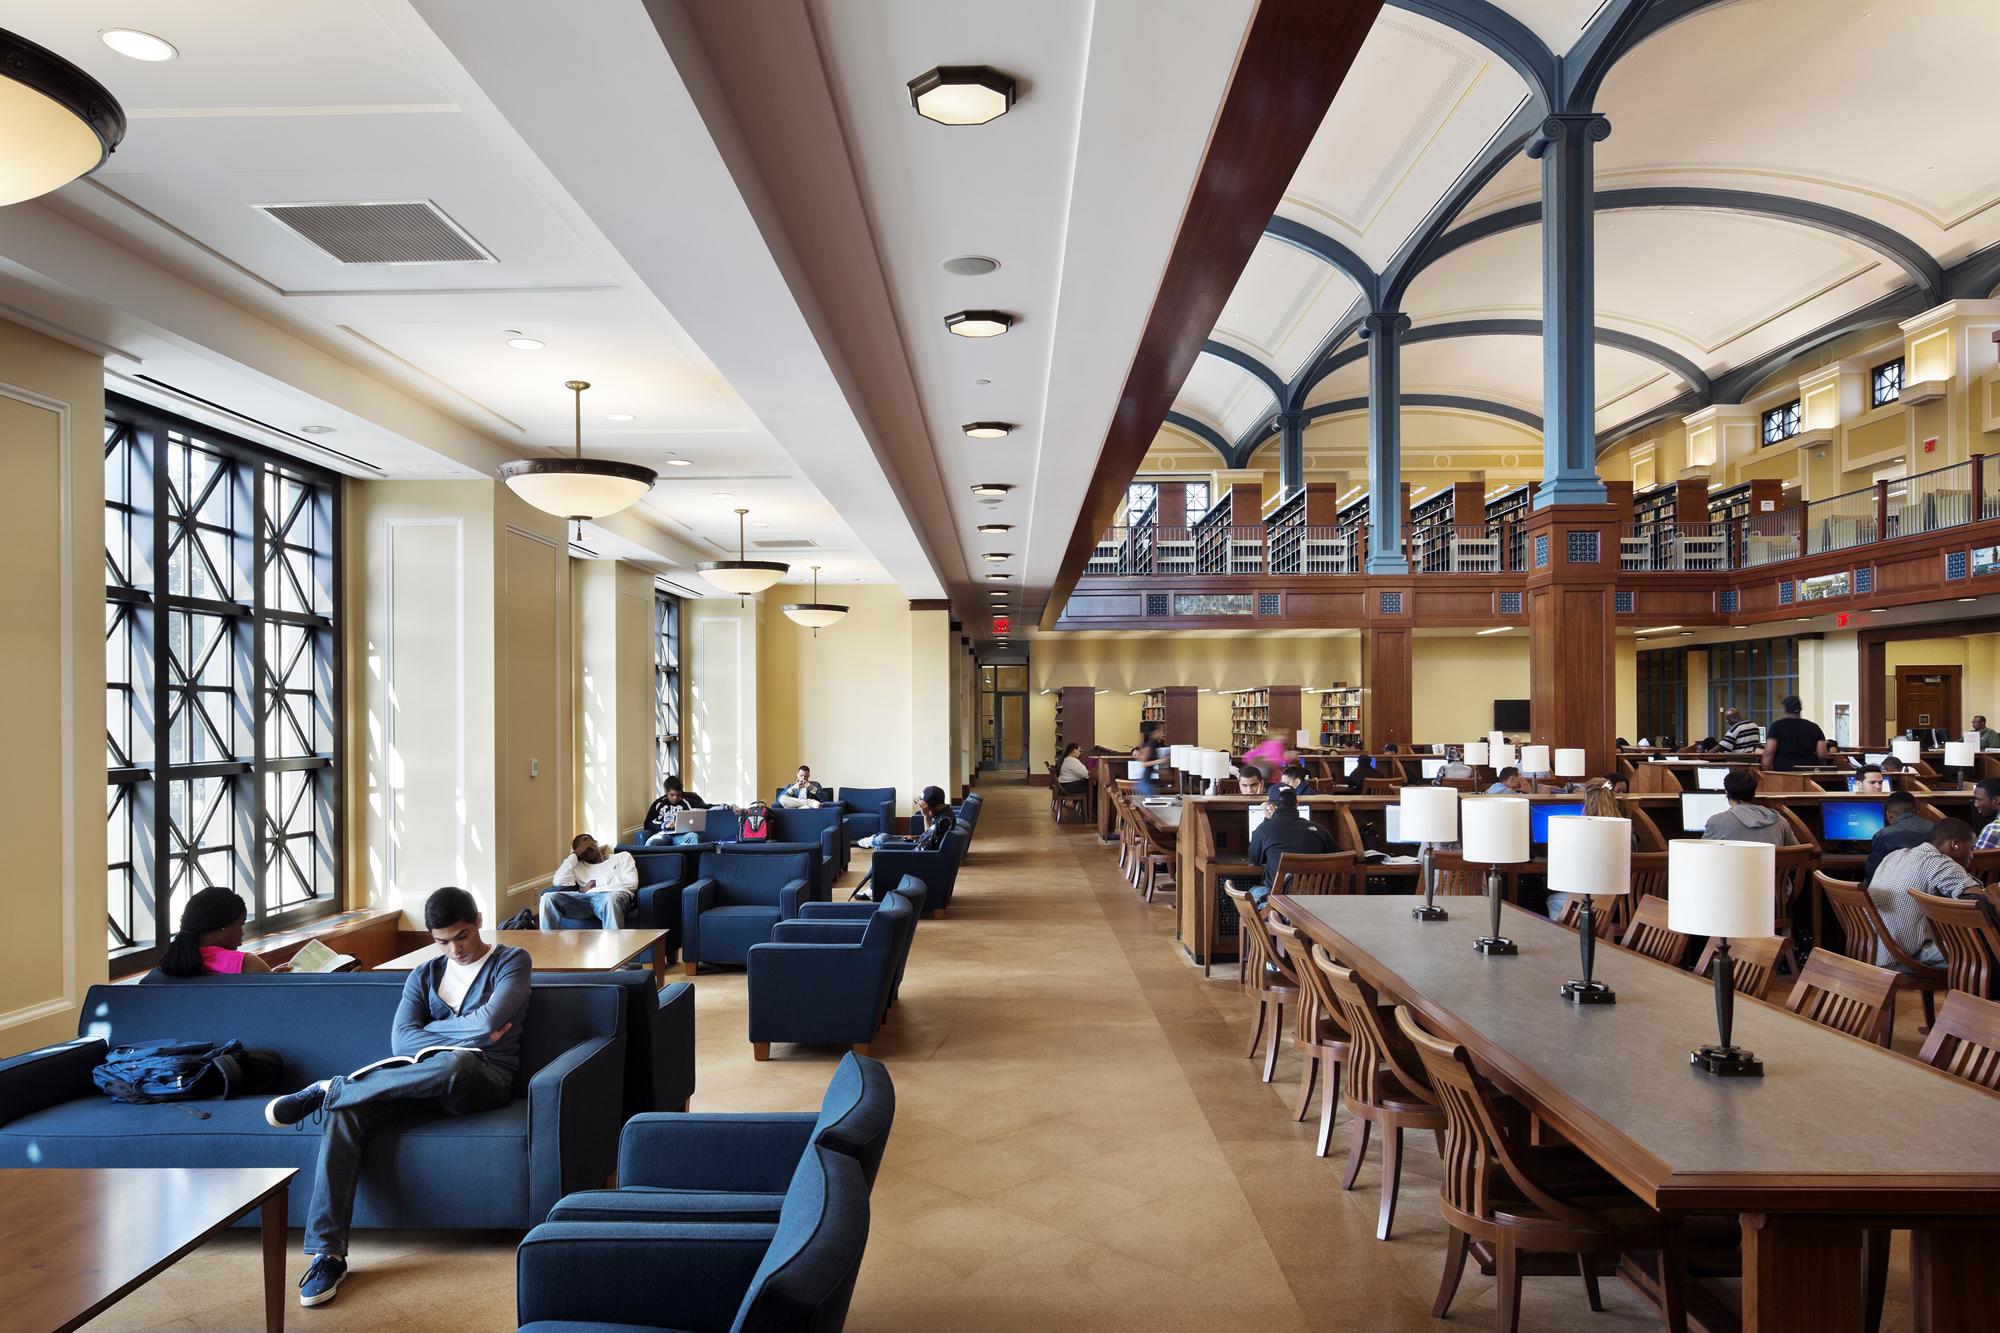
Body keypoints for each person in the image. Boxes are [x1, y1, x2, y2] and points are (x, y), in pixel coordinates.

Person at [267, 887, 528, 1307]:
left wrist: (450, 1035)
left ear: (478, 920)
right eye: (442, 940)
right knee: (346, 1113)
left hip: (483, 1081)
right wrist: (472, 1029)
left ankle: (330, 1088)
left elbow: (490, 1024)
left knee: (456, 1063)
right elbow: (400, 1040)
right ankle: (327, 1253)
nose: (455, 949)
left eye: (461, 936)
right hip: (416, 1084)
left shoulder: (511, 961)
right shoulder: (423, 975)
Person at [1866, 819, 1982, 969]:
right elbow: (1981, 901)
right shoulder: (1940, 863)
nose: (1972, 856)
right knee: (1985, 951)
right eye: (1971, 849)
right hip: (1907, 956)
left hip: (1875, 951)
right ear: (1955, 845)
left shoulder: (1894, 856)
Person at [1238, 786, 1337, 910]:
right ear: (1297, 803)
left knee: (1251, 892)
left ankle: (1266, 927)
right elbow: (1340, 856)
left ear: (1271, 807)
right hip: (1316, 906)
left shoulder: (1264, 830)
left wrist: (1266, 820)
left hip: (1280, 905)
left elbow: (1255, 858)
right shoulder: (1318, 830)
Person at [158, 887, 291, 976]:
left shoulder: (171, 963)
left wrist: (267, 976)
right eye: (241, 924)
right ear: (222, 925)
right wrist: (266, 976)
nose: (243, 932)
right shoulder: (246, 964)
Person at [852, 786, 955, 899]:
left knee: (881, 849)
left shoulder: (944, 821)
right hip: (920, 848)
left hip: (919, 857)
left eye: (927, 809)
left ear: (939, 806)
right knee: (884, 838)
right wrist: (915, 837)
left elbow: (928, 843)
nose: (925, 811)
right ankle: (872, 840)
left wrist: (925, 817)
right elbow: (931, 836)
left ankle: (873, 889)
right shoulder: (943, 814)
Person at [1547, 779, 1630, 920]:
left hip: (1597, 896)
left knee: (1553, 900)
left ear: (1587, 798)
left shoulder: (1586, 828)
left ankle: (1562, 939)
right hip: (1622, 899)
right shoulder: (1626, 826)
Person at [540, 834, 638, 930]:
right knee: (547, 898)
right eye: (580, 848)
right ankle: (549, 945)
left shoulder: (622, 857)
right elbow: (558, 881)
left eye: (586, 841)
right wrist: (574, 855)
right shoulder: (578, 867)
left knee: (610, 899)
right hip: (585, 899)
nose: (585, 848)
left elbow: (632, 882)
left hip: (613, 895)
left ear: (595, 843)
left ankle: (613, 945)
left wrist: (595, 883)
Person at [1701, 767, 1797, 847]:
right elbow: (1796, 852)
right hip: (1771, 870)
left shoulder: (1717, 821)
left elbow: (1701, 854)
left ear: (1727, 794)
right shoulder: (1779, 820)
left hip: (1733, 870)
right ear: (1754, 793)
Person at [1861, 791, 1933, 886]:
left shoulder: (1883, 835)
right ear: (1917, 812)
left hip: (1893, 889)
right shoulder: (1935, 828)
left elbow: (1872, 872)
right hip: (1929, 890)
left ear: (1889, 814)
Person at [1762, 695, 1827, 772]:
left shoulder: (1777, 726)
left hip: (1783, 770)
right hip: (1808, 769)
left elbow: (1769, 752)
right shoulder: (1814, 727)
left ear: (1785, 710)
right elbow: (1822, 754)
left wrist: (1766, 772)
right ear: (1800, 709)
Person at [641, 777, 706, 846]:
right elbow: (648, 824)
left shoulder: (686, 802)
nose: (675, 798)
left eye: (678, 795)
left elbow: (707, 807)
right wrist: (665, 825)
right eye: (672, 795)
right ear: (666, 791)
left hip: (681, 835)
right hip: (663, 835)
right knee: (651, 842)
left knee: (694, 837)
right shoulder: (658, 804)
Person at [1131, 723, 1164, 797]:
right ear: (1152, 732)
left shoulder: (1150, 744)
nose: (1161, 733)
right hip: (1146, 783)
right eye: (1158, 730)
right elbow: (1143, 763)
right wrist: (1160, 761)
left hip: (1146, 782)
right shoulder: (1149, 745)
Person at [1970, 777, 2000, 850]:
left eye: (1978, 800)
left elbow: (1977, 860)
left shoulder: (1992, 830)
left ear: (1996, 800)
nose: (1975, 805)